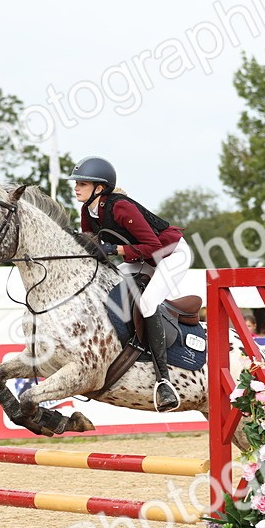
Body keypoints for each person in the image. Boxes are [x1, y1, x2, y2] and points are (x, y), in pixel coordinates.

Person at [70, 156, 191, 412]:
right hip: (142, 256)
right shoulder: (87, 211)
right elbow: (92, 247)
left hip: (171, 255)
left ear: (99, 188)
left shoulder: (121, 207)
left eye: (82, 183)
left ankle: (163, 380)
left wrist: (115, 248)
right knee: (109, 288)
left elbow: (154, 248)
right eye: (77, 183)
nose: (76, 187)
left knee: (147, 302)